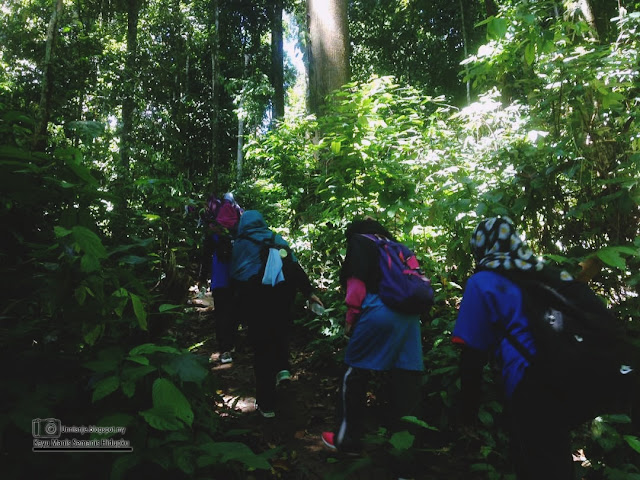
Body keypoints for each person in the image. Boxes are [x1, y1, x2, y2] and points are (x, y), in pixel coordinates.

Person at [452, 216, 576, 480]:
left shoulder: (483, 282)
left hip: (525, 378)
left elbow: (472, 356)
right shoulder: (539, 274)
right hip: (562, 371)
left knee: (531, 458)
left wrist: (467, 413)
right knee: (556, 455)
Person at [321, 218, 425, 456]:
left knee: (354, 373)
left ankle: (347, 440)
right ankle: (406, 454)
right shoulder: (397, 246)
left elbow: (356, 286)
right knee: (407, 380)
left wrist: (351, 319)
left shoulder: (360, 241)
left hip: (379, 310)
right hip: (409, 318)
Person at [230, 210, 322, 418]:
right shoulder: (276, 239)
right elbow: (295, 267)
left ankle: (266, 404)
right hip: (282, 298)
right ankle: (283, 370)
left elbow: (235, 277)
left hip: (256, 302)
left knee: (261, 349)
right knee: (279, 334)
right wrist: (309, 293)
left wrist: (235, 314)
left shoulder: (241, 244)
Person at [198, 192, 243, 364]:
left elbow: (206, 258)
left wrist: (202, 278)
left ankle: (225, 349)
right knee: (233, 312)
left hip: (220, 280)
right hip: (237, 279)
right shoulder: (237, 232)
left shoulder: (213, 237)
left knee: (222, 314)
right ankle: (231, 344)